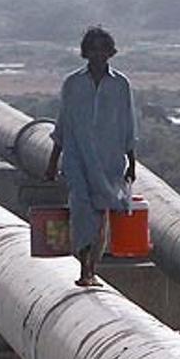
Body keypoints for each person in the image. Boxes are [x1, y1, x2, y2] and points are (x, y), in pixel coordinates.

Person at [44, 26, 138, 287]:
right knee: (82, 210)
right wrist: (53, 161)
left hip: (109, 160)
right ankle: (84, 268)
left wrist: (132, 161)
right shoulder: (73, 84)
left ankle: (92, 267)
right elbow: (63, 123)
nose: (98, 55)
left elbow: (128, 124)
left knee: (101, 214)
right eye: (93, 49)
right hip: (77, 158)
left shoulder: (120, 85)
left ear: (110, 52)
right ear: (85, 53)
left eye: (103, 49)